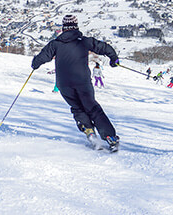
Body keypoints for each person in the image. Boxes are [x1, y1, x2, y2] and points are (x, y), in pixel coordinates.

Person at [31, 14, 120, 152]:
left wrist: (35, 64)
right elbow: (104, 47)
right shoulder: (84, 42)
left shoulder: (55, 44)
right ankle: (110, 137)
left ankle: (90, 132)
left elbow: (42, 57)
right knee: (92, 107)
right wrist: (114, 59)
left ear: (63, 27)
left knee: (77, 108)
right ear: (76, 26)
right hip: (82, 81)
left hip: (64, 83)